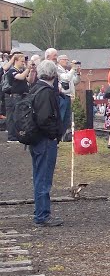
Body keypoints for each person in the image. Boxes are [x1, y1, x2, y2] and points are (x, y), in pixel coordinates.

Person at [26, 60, 64, 228]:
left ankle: (40, 210)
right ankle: (42, 214)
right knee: (44, 177)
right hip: (44, 140)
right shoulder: (46, 92)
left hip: (34, 139)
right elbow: (44, 118)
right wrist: (54, 134)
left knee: (38, 176)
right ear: (53, 74)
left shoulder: (35, 88)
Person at [4, 53, 32, 140]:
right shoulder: (12, 71)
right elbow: (21, 77)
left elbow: (29, 80)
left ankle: (20, 133)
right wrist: (27, 69)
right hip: (16, 96)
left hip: (24, 95)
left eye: (24, 61)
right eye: (21, 61)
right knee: (15, 116)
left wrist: (31, 70)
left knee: (22, 116)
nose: (23, 63)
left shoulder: (21, 70)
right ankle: (12, 136)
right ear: (16, 61)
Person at [54, 52, 81, 139]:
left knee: (66, 119)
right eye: (65, 60)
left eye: (67, 60)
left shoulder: (67, 71)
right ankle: (57, 137)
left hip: (69, 96)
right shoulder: (57, 69)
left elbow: (75, 81)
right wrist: (73, 69)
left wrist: (78, 73)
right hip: (62, 96)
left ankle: (62, 135)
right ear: (59, 61)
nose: (67, 61)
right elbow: (66, 78)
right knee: (61, 116)